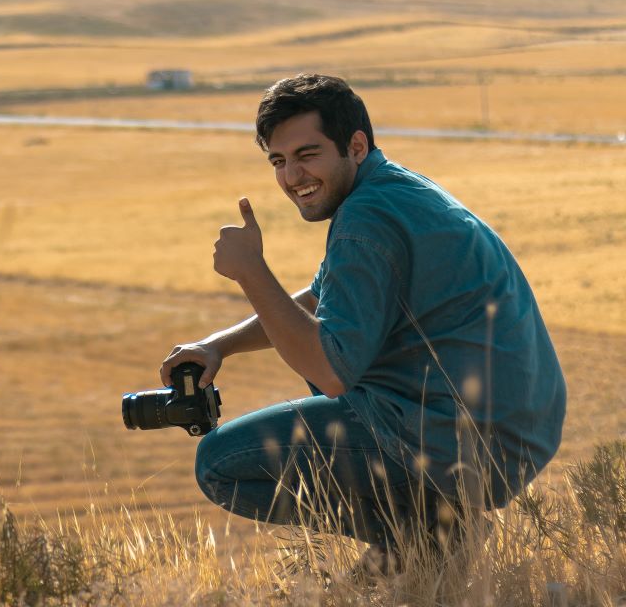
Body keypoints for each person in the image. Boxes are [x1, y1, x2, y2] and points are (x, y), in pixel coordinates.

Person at [160, 73, 565, 573]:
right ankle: (423, 541)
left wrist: (250, 272)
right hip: (506, 431)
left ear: (355, 145)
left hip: (459, 439)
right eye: (278, 161)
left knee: (221, 463)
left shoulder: (366, 219)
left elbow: (330, 370)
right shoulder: (393, 189)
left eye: (308, 155)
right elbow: (323, 297)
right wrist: (219, 345)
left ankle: (433, 535)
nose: (291, 178)